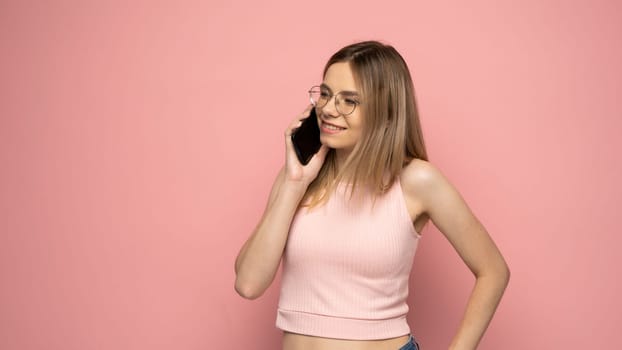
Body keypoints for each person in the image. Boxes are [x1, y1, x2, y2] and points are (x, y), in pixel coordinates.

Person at [234, 40, 510, 350]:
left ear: (385, 111)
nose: (327, 109)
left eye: (348, 101)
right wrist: (294, 183)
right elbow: (248, 283)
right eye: (325, 94)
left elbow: (493, 271)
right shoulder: (298, 175)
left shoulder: (416, 180)